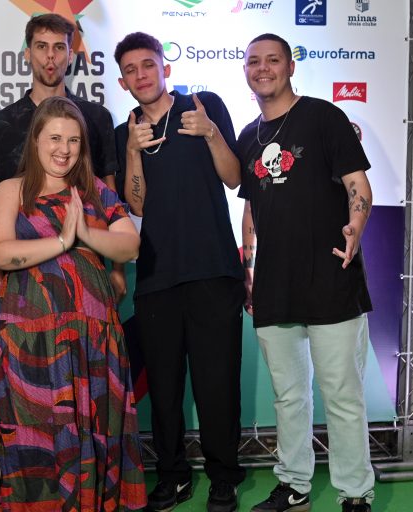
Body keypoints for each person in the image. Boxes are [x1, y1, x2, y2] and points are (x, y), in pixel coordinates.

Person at [0, 96, 146, 511]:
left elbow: (129, 246)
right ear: (35, 140)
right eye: (54, 138)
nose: (64, 149)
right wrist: (61, 241)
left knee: (94, 431)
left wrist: (85, 234)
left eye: (73, 140)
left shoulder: (97, 192)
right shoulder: (12, 190)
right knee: (29, 434)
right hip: (28, 342)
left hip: (92, 341)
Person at [237, 33, 374, 512]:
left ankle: (354, 492)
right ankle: (294, 484)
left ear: (290, 66)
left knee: (342, 395)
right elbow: (251, 209)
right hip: (274, 285)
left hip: (331, 276)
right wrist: (248, 268)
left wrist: (355, 226)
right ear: (246, 71)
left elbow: (358, 184)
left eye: (273, 59)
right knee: (289, 396)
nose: (263, 68)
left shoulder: (323, 117)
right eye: (254, 61)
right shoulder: (247, 137)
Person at [113, 32, 245, 512]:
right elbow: (136, 206)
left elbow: (234, 177)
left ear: (164, 68)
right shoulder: (124, 132)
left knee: (217, 385)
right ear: (123, 82)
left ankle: (224, 477)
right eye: (130, 70)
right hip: (156, 278)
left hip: (213, 270)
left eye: (148, 65)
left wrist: (210, 132)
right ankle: (172, 476)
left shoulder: (203, 105)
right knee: (164, 391)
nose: (141, 75)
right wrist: (132, 151)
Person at [0, 13, 127, 309]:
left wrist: (117, 269)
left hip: (87, 275)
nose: (50, 56)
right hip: (23, 281)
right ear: (27, 54)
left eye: (59, 47)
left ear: (70, 56)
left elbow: (110, 196)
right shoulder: (2, 123)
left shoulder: (96, 118)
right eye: (41, 46)